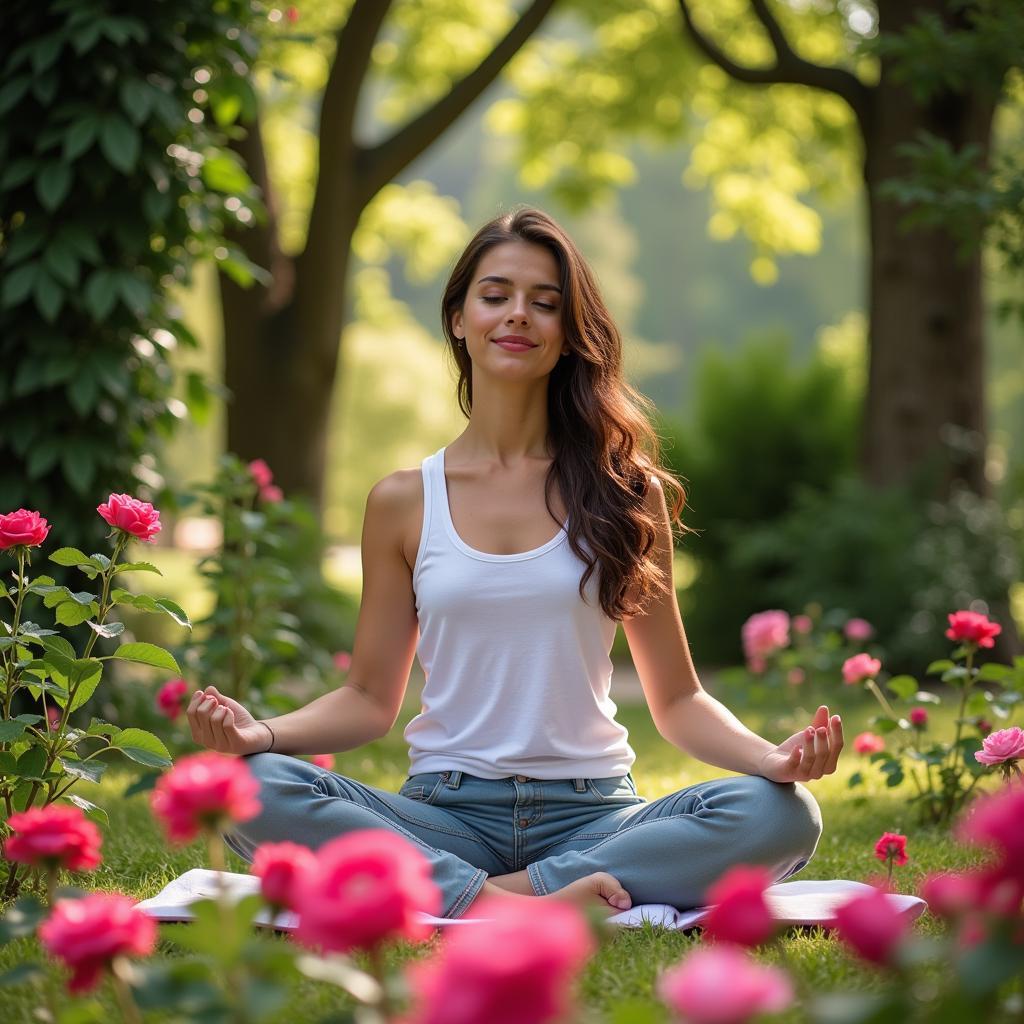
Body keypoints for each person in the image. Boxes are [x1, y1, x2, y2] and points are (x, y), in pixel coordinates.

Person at [187, 207, 842, 919]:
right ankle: (517, 899)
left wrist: (769, 761)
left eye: (546, 302)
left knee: (782, 813)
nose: (518, 315)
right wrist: (261, 735)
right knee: (250, 783)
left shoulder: (626, 492)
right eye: (495, 295)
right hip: (444, 816)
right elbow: (370, 699)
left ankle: (493, 899)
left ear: (567, 336)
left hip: (595, 819)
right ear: (461, 318)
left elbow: (679, 701)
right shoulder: (405, 500)